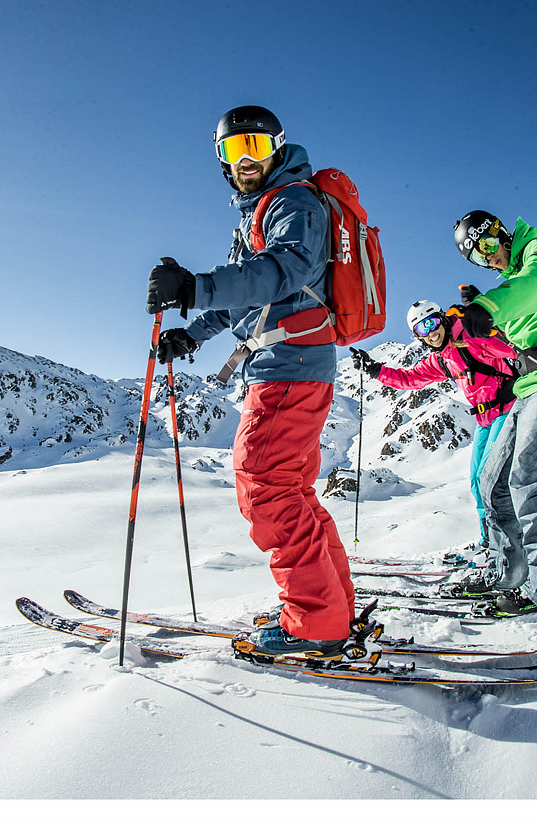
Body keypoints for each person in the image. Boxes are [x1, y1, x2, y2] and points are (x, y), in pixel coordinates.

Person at [144, 105, 356, 658]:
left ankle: (316, 622)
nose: (245, 160)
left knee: (263, 484)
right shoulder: (262, 210)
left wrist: (194, 287)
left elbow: (280, 272)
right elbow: (247, 294)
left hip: (290, 367)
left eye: (256, 147)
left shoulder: (293, 201)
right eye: (234, 150)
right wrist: (192, 334)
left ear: (277, 148)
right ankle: (332, 606)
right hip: (290, 364)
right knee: (292, 489)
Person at [448, 210, 537, 615]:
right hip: (530, 386)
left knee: (528, 483)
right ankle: (509, 575)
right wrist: (484, 316)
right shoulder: (513, 277)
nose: (488, 256)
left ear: (500, 232)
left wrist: (489, 306)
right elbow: (515, 334)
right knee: (492, 483)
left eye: (487, 244)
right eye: (477, 256)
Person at [350, 299, 517, 555]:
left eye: (432, 323)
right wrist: (374, 370)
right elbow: (410, 379)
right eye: (422, 329)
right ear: (417, 336)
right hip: (485, 421)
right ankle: (490, 542)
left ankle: (505, 548)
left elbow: (509, 347)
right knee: (477, 482)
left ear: (442, 319)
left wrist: (485, 324)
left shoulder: (469, 337)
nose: (431, 332)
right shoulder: (442, 359)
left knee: (490, 480)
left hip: (507, 409)